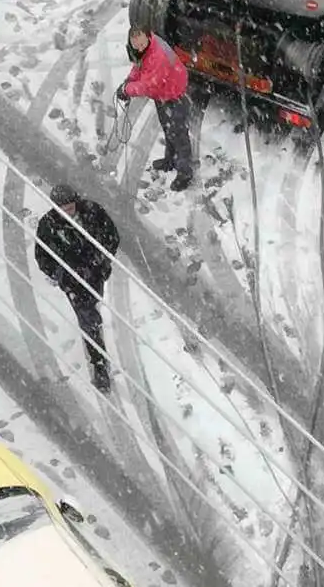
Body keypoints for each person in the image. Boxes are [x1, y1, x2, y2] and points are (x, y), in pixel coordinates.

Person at [35, 183, 120, 393]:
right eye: (62, 208)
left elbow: (112, 236)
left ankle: (93, 327)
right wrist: (60, 274)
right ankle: (98, 362)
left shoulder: (92, 211)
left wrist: (101, 261)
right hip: (73, 281)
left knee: (93, 305)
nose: (67, 212)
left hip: (95, 273)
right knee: (88, 319)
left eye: (70, 207)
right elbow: (42, 256)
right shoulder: (48, 225)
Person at [117, 26, 194, 191]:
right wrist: (129, 80)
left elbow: (147, 86)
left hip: (177, 94)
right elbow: (139, 65)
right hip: (163, 94)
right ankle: (170, 160)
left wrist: (126, 90)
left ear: (147, 37)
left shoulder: (158, 57)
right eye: (135, 45)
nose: (138, 48)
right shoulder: (144, 45)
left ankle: (185, 173)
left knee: (178, 133)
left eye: (140, 45)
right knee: (167, 128)